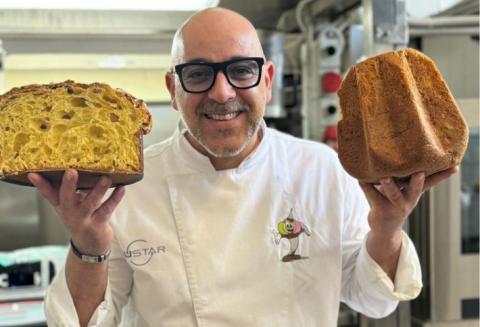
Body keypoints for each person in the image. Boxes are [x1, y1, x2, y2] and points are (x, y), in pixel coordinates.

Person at [28, 7, 458, 327]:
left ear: (267, 80)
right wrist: (88, 244)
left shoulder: (323, 169)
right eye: (198, 74)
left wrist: (386, 227)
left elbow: (373, 298)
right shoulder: (128, 186)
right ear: (172, 90)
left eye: (241, 71)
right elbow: (82, 323)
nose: (221, 92)